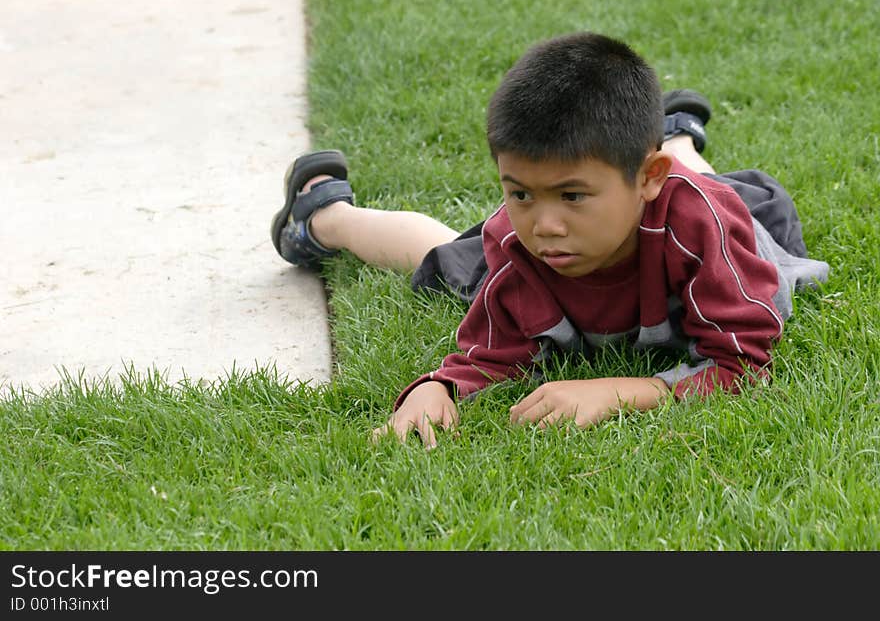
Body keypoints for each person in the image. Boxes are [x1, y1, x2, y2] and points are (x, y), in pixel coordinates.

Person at [270, 32, 830, 449]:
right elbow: (487, 353)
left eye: (572, 196)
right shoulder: (519, 243)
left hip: (712, 210)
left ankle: (675, 137)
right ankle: (324, 213)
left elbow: (740, 364)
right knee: (446, 258)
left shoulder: (707, 232)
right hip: (644, 183)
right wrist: (434, 388)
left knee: (692, 183)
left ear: (646, 179)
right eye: (519, 193)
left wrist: (619, 391)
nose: (545, 225)